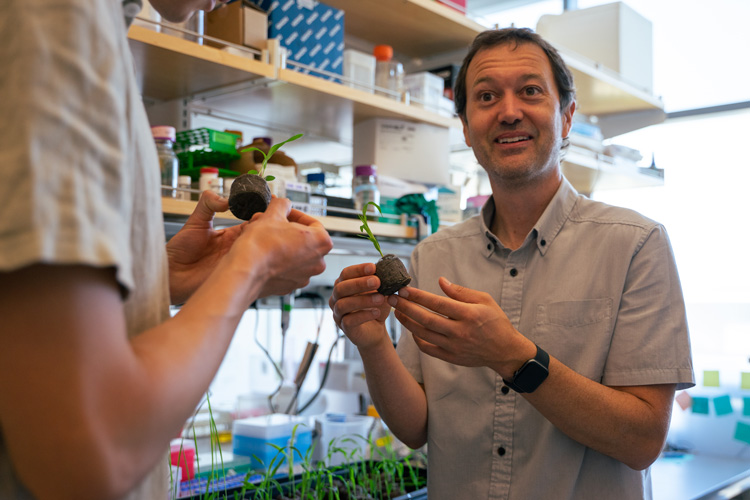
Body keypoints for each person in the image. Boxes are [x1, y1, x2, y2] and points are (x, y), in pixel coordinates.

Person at [330, 27, 694, 500]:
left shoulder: (636, 245)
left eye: (530, 91)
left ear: (566, 117)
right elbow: (416, 426)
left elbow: (643, 440)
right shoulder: (433, 256)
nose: (508, 111)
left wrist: (513, 356)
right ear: (465, 126)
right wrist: (372, 342)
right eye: (485, 96)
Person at [0, 0, 333, 498]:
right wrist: (251, 268)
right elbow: (90, 454)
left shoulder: (90, 27)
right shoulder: (60, 17)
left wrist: (160, 278)